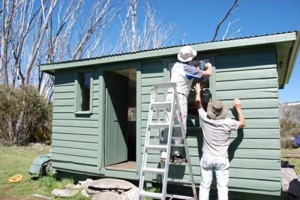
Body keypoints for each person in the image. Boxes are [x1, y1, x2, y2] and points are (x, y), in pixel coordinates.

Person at [193, 82, 246, 200]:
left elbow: (198, 104)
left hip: (207, 157)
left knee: (204, 186)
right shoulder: (228, 122)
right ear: (223, 112)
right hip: (221, 158)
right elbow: (243, 124)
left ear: (211, 110)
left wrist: (197, 91)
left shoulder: (205, 118)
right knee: (222, 188)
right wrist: (238, 108)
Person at [161, 46, 212, 161]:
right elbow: (208, 73)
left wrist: (196, 66)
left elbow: (188, 70)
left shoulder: (175, 66)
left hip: (170, 96)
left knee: (168, 124)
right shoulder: (188, 69)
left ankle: (164, 153)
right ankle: (177, 153)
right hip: (179, 98)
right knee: (180, 125)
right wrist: (208, 64)